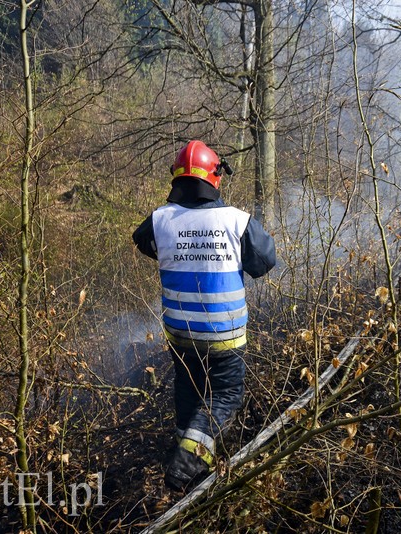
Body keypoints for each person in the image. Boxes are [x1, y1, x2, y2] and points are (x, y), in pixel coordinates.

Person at [132, 140, 276, 491]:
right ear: (215, 178)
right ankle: (187, 465)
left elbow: (142, 242)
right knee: (224, 395)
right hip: (224, 337)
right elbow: (264, 261)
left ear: (178, 178)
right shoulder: (237, 221)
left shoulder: (159, 220)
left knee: (189, 388)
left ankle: (185, 442)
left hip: (180, 334)